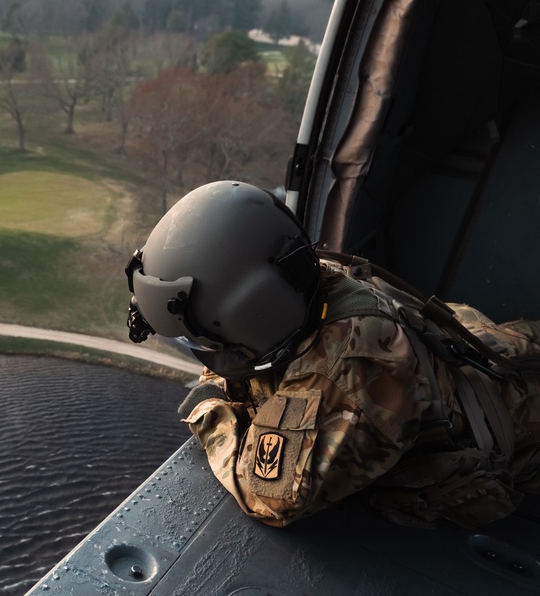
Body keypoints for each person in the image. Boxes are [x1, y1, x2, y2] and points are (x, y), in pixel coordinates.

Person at [125, 181, 540, 528]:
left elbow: (270, 497)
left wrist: (209, 405)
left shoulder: (345, 374)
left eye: (213, 346)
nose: (208, 361)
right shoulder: (299, 275)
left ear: (255, 313)